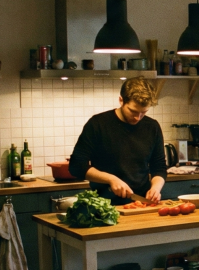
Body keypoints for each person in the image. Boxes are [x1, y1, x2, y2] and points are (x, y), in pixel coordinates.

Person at [68, 77, 168, 205]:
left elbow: (159, 167)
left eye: (144, 112)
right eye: (133, 111)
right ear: (121, 100)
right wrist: (111, 179)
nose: (138, 118)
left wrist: (156, 187)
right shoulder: (98, 124)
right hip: (104, 205)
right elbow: (77, 166)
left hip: (141, 204)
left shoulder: (152, 127)